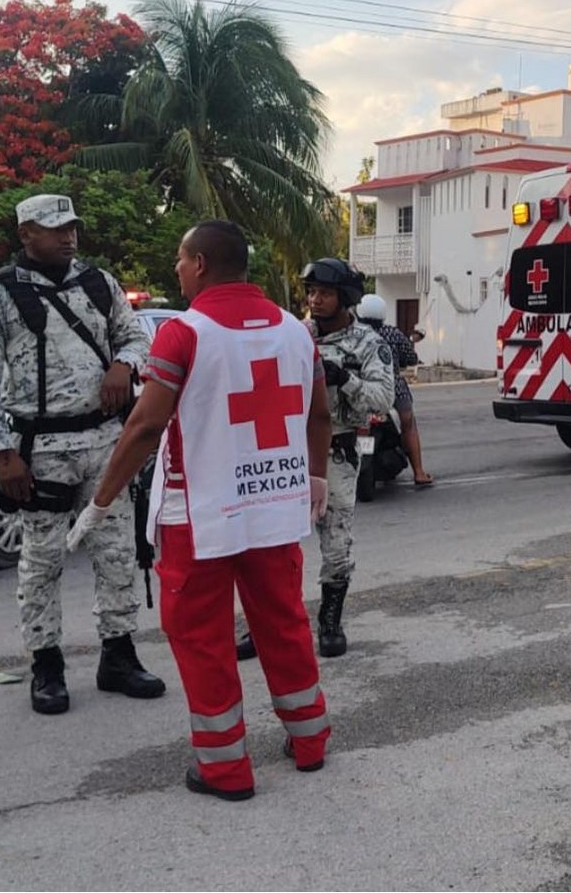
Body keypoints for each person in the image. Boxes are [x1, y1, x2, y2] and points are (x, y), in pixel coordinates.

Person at [68, 220, 333, 800]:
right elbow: (318, 414)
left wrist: (101, 500)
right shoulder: (295, 331)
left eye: (181, 260)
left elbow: (144, 426)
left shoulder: (185, 334)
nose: (177, 269)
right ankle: (310, 740)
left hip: (200, 514)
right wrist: (315, 476)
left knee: (201, 637)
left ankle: (224, 768)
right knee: (284, 624)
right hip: (274, 507)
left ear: (202, 265)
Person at [0, 193, 165, 715]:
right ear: (25, 234)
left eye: (71, 227)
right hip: (40, 449)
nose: (67, 237)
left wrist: (124, 363)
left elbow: (136, 338)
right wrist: (1, 452)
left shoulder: (99, 283)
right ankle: (46, 665)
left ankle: (118, 656)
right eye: (54, 229)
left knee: (117, 552)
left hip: (105, 442)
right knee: (42, 560)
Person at [238, 257, 394, 661]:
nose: (315, 299)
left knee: (336, 542)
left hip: (337, 450)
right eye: (311, 292)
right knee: (272, 542)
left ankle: (329, 621)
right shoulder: (292, 334)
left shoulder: (369, 343)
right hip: (286, 449)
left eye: (324, 293)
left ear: (345, 298)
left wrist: (344, 377)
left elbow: (382, 400)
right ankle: (263, 626)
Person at [355, 293, 433, 487]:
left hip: (360, 386)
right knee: (408, 424)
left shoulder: (352, 335)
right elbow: (410, 358)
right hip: (392, 386)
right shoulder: (392, 333)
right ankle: (419, 472)